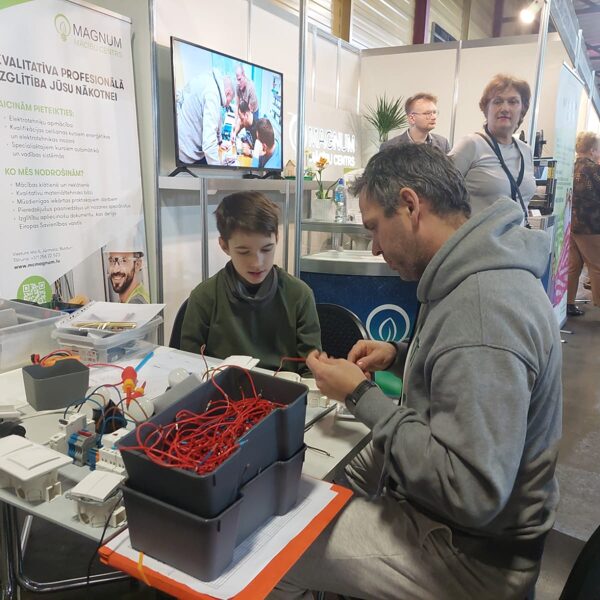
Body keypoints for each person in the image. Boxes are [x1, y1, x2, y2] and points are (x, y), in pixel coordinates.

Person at [269, 144, 562, 600]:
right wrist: (401, 354)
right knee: (311, 487)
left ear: (409, 205)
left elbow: (470, 493)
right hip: (456, 519)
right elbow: (464, 372)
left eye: (374, 228)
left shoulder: (483, 311)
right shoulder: (471, 273)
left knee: (273, 549)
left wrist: (361, 396)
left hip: (475, 557)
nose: (374, 247)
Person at [180, 192, 320, 372]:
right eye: (244, 252)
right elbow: (190, 367)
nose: (257, 263)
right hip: (222, 387)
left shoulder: (299, 295)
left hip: (284, 387)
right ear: (224, 246)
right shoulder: (204, 297)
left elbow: (311, 372)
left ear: (277, 238)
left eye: (267, 249)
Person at [449, 74, 535, 219]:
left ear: (522, 109)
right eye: (497, 101)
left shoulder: (526, 151)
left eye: (513, 102)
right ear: (486, 108)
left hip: (517, 233)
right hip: (478, 233)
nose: (505, 108)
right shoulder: (471, 145)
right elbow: (437, 193)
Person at [566, 131, 600, 317]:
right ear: (593, 150)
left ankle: (568, 304)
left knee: (573, 265)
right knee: (597, 266)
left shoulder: (570, 167)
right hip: (591, 226)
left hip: (573, 224)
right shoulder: (594, 169)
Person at [177, 70, 234, 165]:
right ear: (228, 92)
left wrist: (220, 142)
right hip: (188, 153)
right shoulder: (213, 94)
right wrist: (220, 171)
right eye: (230, 100)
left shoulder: (207, 78)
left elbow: (217, 118)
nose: (228, 104)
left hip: (181, 143)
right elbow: (209, 145)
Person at [380, 93, 450, 153]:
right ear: (412, 118)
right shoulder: (390, 147)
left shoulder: (443, 144)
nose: (434, 117)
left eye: (434, 112)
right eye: (428, 113)